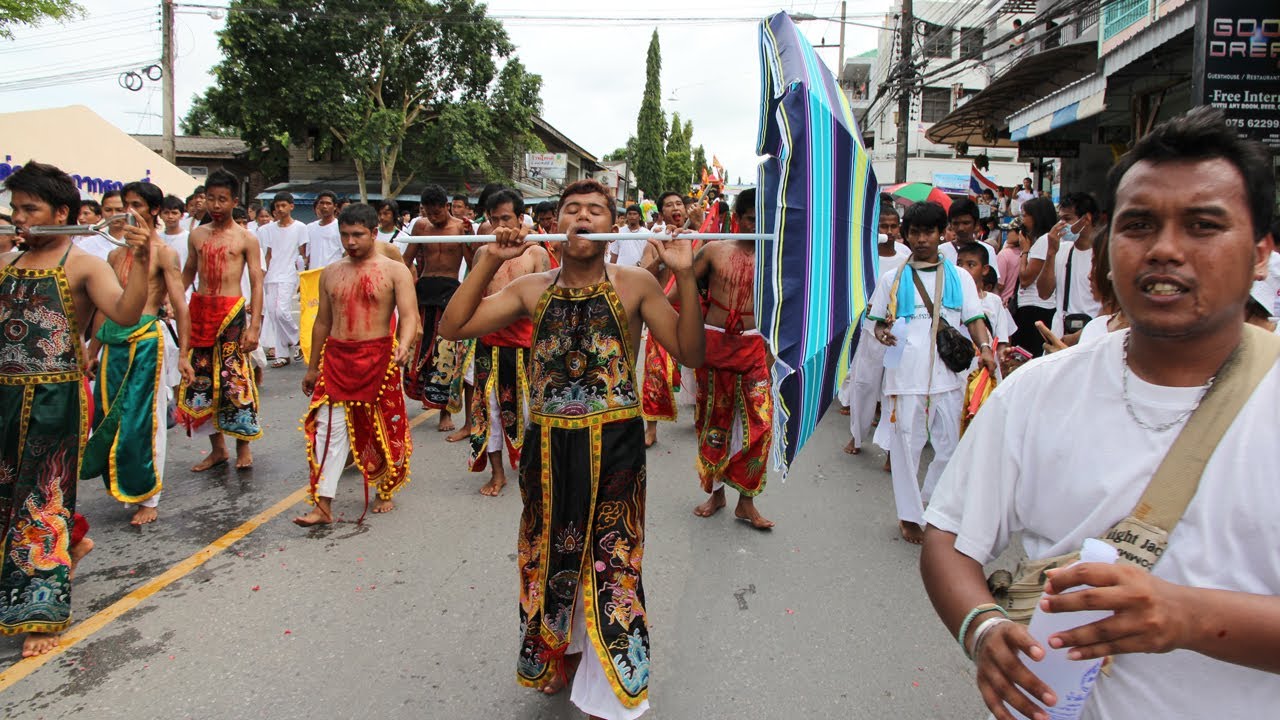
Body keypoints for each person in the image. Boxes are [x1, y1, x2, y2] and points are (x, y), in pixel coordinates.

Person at [921, 107, 1280, 720]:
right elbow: (950, 537)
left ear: (1261, 253)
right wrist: (981, 629)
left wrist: (1189, 616)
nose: (1166, 249)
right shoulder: (1037, 391)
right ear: (1110, 248)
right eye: (1140, 224)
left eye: (1202, 225)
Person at [439, 178, 704, 720]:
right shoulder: (531, 287)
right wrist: (489, 260)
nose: (583, 218)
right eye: (572, 210)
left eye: (595, 211)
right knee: (550, 552)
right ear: (556, 223)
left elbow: (691, 353)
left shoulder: (636, 285)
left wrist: (683, 276)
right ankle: (561, 650)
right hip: (549, 448)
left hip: (618, 446)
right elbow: (454, 325)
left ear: (612, 226)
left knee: (613, 557)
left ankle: (611, 688)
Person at [1, 161, 152, 656]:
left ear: (60, 212)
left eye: (30, 209)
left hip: (56, 398)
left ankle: (41, 616)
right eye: (14, 209)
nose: (19, 218)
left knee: (43, 499)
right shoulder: (5, 263)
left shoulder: (83, 262)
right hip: (4, 394)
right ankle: (47, 567)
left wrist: (142, 258)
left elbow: (126, 314)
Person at [866, 201, 996, 545]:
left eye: (929, 232)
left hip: (949, 378)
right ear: (907, 235)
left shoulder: (961, 277)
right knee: (906, 450)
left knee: (951, 448)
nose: (922, 239)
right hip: (905, 376)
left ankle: (930, 504)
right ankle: (909, 516)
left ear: (942, 234)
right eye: (916, 232)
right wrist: (884, 333)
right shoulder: (891, 279)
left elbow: (974, 319)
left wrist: (985, 349)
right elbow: (875, 324)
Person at [294, 204, 417, 526]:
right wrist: (312, 367)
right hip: (336, 358)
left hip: (380, 358)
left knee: (384, 428)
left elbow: (409, 316)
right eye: (345, 235)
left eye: (358, 235)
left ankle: (385, 488)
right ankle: (322, 505)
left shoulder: (394, 271)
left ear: (374, 233)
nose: (350, 241)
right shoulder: (331, 272)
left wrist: (403, 345)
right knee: (327, 430)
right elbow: (322, 321)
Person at [81, 182, 193, 526]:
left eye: (135, 206)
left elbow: (179, 304)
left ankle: (150, 497)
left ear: (153, 211)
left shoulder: (163, 253)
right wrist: (92, 349)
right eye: (119, 207)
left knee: (145, 419)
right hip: (113, 343)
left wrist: (184, 355)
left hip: (146, 342)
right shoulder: (114, 255)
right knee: (110, 418)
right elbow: (107, 308)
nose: (126, 214)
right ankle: (125, 484)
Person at [688, 188, 774, 529]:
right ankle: (717, 493)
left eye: (763, 218)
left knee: (759, 426)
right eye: (752, 218)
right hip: (714, 347)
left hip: (754, 348)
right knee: (712, 422)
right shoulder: (713, 250)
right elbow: (683, 286)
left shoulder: (778, 257)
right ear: (737, 219)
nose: (757, 224)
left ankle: (747, 502)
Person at [178, 169, 265, 471]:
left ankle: (244, 446)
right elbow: (189, 271)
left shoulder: (245, 238)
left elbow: (256, 281)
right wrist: (172, 298)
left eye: (222, 200)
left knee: (235, 380)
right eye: (211, 199)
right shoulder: (197, 236)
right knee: (203, 381)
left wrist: (254, 327)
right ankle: (218, 449)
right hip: (200, 311)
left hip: (231, 315)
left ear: (234, 201)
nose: (215, 205)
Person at [467, 189, 550, 496]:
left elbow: (545, 305)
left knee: (534, 412)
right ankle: (497, 473)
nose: (500, 225)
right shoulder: (483, 253)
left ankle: (535, 470)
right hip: (490, 344)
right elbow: (472, 297)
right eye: (494, 219)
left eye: (506, 218)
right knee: (487, 413)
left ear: (519, 217)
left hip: (527, 346)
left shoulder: (536, 253)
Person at [841, 196, 911, 455]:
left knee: (895, 389)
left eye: (894, 226)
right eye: (884, 226)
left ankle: (893, 451)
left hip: (897, 333)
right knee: (863, 387)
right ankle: (856, 437)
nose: (890, 232)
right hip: (868, 331)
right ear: (875, 227)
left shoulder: (906, 256)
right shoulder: (863, 255)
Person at [402, 184, 472, 436]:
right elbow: (407, 259)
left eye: (437, 212)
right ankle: (421, 396)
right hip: (425, 289)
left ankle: (445, 412)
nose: (433, 217)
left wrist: (469, 237)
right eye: (429, 213)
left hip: (450, 290)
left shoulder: (459, 227)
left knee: (446, 353)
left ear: (447, 206)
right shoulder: (420, 226)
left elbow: (472, 263)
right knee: (419, 348)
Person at [639, 191, 688, 447]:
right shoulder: (653, 240)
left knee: (703, 373)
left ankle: (704, 418)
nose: (675, 208)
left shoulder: (698, 237)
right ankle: (651, 428)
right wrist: (662, 253)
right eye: (669, 205)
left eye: (679, 203)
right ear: (662, 212)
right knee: (655, 370)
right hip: (662, 312)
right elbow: (642, 273)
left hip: (692, 313)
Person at [1037, 192, 1103, 341]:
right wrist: (1051, 253)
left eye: (1067, 219)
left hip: (1092, 337)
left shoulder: (1104, 254)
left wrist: (1079, 336)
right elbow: (1044, 293)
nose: (1061, 225)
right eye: (1060, 219)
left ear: (1086, 219)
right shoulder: (1062, 250)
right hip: (1061, 335)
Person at [257, 192, 308, 367]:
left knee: (281, 312)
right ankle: (282, 354)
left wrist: (302, 277)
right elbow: (268, 255)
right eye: (277, 206)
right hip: (271, 275)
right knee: (273, 314)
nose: (280, 209)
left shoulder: (300, 228)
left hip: (288, 275)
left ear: (291, 206)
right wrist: (261, 277)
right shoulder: (269, 229)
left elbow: (303, 254)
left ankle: (296, 339)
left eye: (283, 205)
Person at [1011, 196, 1060, 356]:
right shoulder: (1041, 240)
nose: (1022, 220)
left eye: (1025, 216)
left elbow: (1025, 279)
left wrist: (1025, 250)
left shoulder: (1044, 241)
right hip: (1032, 306)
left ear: (1036, 217)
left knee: (1028, 355)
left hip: (1036, 307)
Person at [942, 198, 1003, 287]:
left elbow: (993, 285)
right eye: (956, 223)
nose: (961, 228)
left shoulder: (987, 250)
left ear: (976, 224)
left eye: (966, 223)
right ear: (950, 224)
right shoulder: (941, 251)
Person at [306, 190, 343, 269]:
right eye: (322, 203)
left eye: (328, 203)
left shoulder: (341, 227)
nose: (324, 206)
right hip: (313, 274)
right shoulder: (310, 228)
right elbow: (307, 255)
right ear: (318, 205)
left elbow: (345, 254)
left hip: (332, 274)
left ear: (335, 206)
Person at [159, 194, 189, 271]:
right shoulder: (157, 238)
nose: (170, 216)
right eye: (166, 213)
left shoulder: (189, 237)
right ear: (160, 215)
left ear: (182, 215)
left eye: (174, 213)